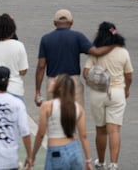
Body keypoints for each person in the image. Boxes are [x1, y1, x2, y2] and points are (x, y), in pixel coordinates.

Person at [35, 9, 112, 108]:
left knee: (55, 116)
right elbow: (96, 52)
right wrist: (114, 45)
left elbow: (41, 66)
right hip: (73, 82)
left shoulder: (46, 39)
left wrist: (37, 91)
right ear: (71, 23)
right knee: (76, 116)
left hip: (53, 82)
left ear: (54, 23)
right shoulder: (77, 37)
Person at [83, 22, 132, 170]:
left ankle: (101, 161)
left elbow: (85, 73)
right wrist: (127, 89)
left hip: (97, 93)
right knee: (114, 130)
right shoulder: (122, 52)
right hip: (117, 92)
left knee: (100, 129)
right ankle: (114, 164)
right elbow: (129, 76)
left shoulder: (96, 51)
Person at [29, 75, 93, 170]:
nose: (51, 82)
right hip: (75, 150)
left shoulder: (47, 106)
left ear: (59, 88)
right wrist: (88, 160)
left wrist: (32, 156)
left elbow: (41, 134)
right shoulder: (77, 107)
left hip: (56, 152)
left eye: (54, 81)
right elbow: (83, 136)